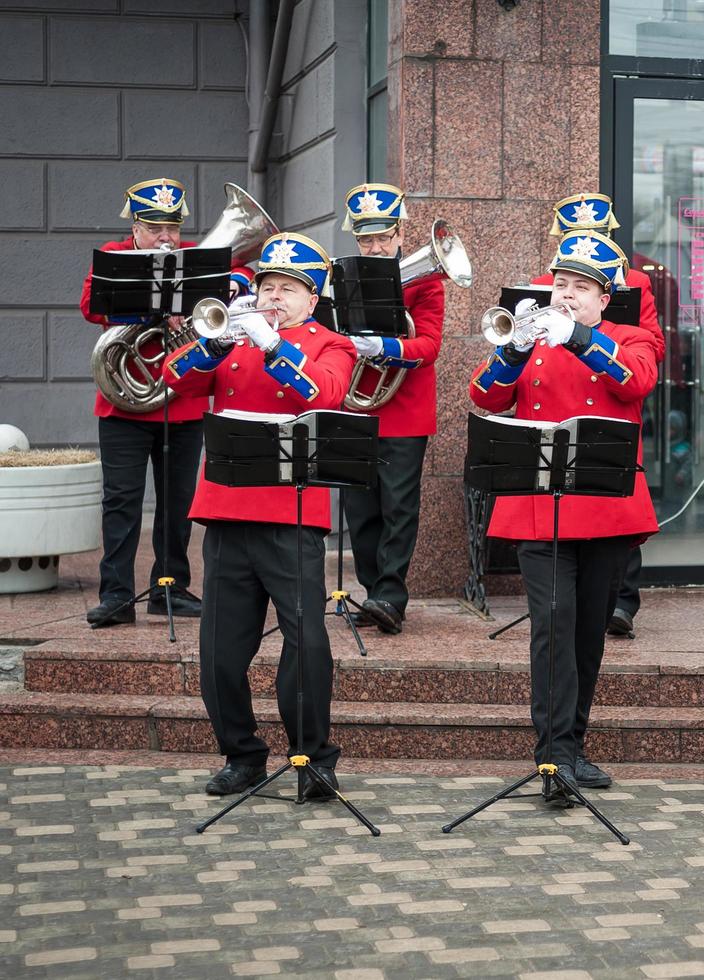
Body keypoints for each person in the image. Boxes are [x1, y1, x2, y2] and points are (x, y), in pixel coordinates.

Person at [163, 232, 358, 798]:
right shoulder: (235, 335)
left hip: (291, 512)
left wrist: (274, 344)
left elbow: (322, 396)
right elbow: (175, 381)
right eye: (268, 286)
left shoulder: (331, 344)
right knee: (220, 651)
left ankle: (313, 759)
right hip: (225, 511)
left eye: (289, 290)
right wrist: (215, 342)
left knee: (307, 644)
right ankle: (242, 754)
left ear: (312, 299)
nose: (275, 297)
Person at [468, 230, 659, 805]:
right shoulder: (532, 340)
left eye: (581, 288)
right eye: (562, 284)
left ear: (605, 299)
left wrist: (578, 338)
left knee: (587, 631)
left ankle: (572, 744)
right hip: (539, 507)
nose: (568, 294)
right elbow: (484, 396)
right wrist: (516, 350)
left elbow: (637, 382)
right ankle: (552, 755)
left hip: (605, 506)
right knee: (552, 623)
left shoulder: (631, 336)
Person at [79, 178, 254, 627]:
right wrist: (152, 310)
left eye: (172, 227)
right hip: (125, 407)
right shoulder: (115, 257)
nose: (166, 237)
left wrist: (226, 285)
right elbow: (90, 306)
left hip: (183, 403)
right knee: (122, 501)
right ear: (135, 226)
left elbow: (240, 278)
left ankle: (170, 587)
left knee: (178, 503)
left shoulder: (196, 259)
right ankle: (116, 594)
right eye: (155, 227)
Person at [533, 194, 667, 639]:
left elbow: (646, 353)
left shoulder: (635, 283)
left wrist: (586, 337)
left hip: (607, 414)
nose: (568, 291)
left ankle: (623, 600)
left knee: (613, 534)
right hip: (547, 459)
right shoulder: (545, 286)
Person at [337, 182, 444, 635]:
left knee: (399, 505)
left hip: (403, 411)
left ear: (401, 233)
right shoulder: (340, 276)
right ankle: (371, 592)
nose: (375, 246)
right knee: (359, 509)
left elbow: (430, 344)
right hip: (356, 408)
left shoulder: (426, 283)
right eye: (366, 239)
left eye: (383, 237)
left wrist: (386, 345)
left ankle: (392, 595)